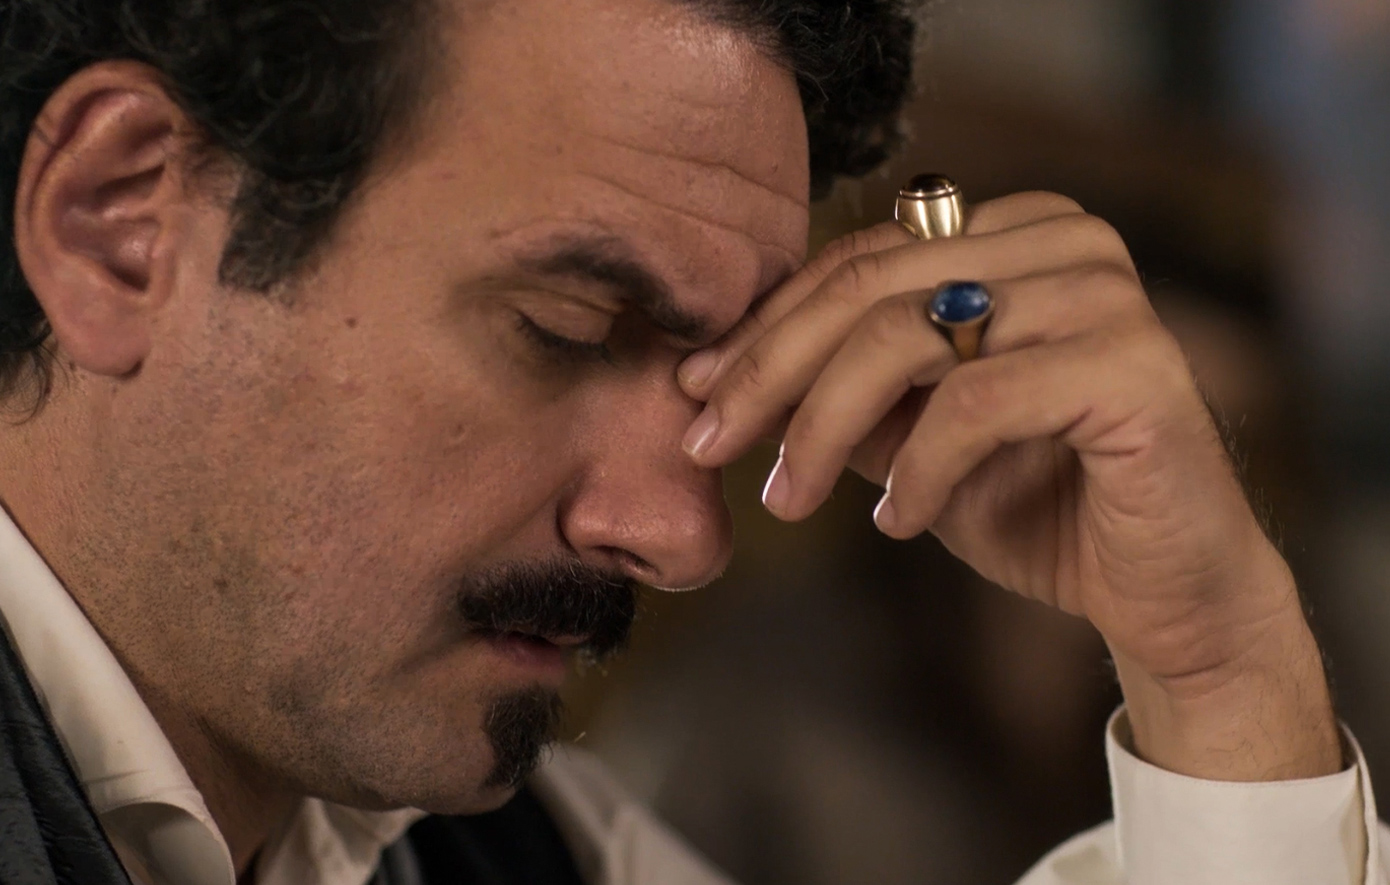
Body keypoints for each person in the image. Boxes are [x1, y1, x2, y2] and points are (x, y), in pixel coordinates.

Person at [0, 0, 1381, 883]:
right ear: (121, 224)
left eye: (731, 374)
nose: (683, 535)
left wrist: (1218, 679)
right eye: (562, 328)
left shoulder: (527, 850)